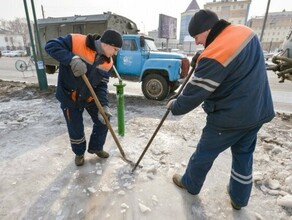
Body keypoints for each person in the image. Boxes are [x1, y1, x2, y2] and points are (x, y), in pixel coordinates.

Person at [167, 9, 275, 210]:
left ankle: (190, 183)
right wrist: (202, 57)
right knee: (244, 156)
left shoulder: (215, 52)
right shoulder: (244, 32)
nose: (197, 42)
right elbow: (234, 65)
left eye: (197, 37)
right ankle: (239, 198)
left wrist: (175, 105)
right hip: (258, 111)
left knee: (205, 152)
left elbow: (196, 91)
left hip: (230, 117)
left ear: (207, 30)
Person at [45, 29, 123, 166]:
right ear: (107, 44)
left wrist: (103, 105)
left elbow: (102, 86)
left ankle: (97, 147)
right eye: (115, 49)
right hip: (70, 96)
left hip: (89, 96)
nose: (115, 53)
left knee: (104, 118)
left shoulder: (108, 62)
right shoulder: (77, 41)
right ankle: (79, 153)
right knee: (76, 127)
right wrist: (72, 59)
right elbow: (50, 46)